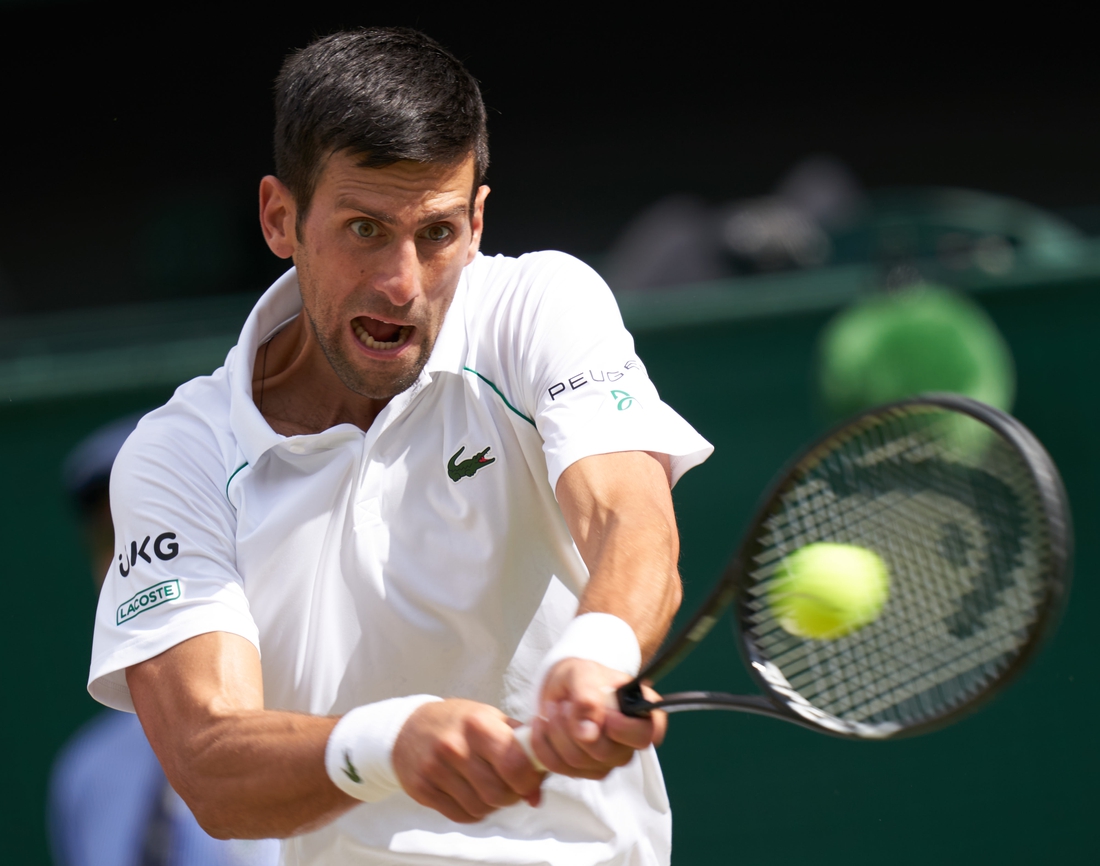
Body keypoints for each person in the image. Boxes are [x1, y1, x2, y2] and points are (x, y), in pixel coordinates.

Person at [88, 27, 712, 866]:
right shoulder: (178, 458)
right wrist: (389, 743)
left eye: (438, 233)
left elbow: (631, 523)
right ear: (282, 218)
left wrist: (595, 654)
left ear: (479, 221)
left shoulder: (540, 307)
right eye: (364, 229)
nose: (402, 285)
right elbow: (210, 762)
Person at [50, 416, 281, 866]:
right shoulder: (86, 775)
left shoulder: (349, 720)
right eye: (116, 542)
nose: (139, 565)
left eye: (169, 537)